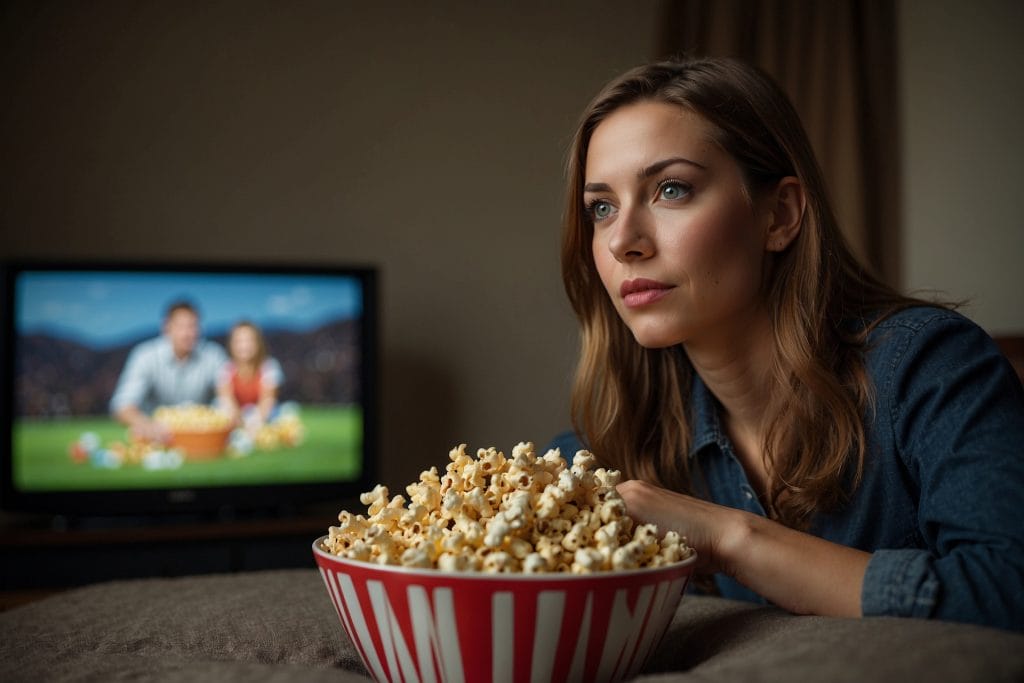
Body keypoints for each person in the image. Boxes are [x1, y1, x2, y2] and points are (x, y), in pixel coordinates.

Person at [555, 57, 1024, 631]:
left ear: (779, 215)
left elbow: (1009, 590)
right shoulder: (624, 425)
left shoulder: (930, 367)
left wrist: (731, 538)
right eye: (601, 208)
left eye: (671, 189)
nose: (623, 240)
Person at [110, 300, 227, 442]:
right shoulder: (145, 355)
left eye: (192, 326)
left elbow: (227, 400)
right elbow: (122, 405)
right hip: (156, 438)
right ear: (166, 327)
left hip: (202, 438)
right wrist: (146, 425)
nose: (187, 333)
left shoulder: (214, 355)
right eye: (180, 326)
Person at [216, 320, 283, 430]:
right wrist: (238, 421)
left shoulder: (269, 367)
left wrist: (254, 423)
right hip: (236, 415)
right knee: (220, 408)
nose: (244, 346)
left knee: (277, 413)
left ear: (258, 343)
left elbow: (267, 401)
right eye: (239, 341)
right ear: (231, 344)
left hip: (261, 415)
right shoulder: (225, 369)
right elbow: (226, 399)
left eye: (249, 340)